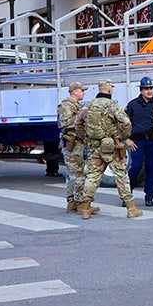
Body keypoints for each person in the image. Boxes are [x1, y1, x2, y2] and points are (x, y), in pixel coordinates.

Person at [77, 79, 143, 219]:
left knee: (92, 177)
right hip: (113, 147)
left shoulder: (88, 105)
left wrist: (85, 137)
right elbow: (126, 123)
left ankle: (86, 209)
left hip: (95, 147)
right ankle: (131, 209)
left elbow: (78, 124)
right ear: (108, 89)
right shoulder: (112, 105)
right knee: (121, 176)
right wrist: (122, 136)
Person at [125, 76, 153, 206]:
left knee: (151, 169)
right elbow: (123, 123)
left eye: (150, 88)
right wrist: (127, 139)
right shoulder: (133, 105)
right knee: (136, 167)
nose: (149, 91)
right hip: (137, 142)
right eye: (146, 89)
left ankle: (149, 197)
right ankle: (127, 195)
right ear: (141, 90)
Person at [57, 82, 87, 213]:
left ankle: (72, 203)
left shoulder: (75, 105)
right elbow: (65, 123)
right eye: (82, 90)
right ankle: (81, 204)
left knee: (72, 175)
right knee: (78, 174)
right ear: (75, 91)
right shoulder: (67, 105)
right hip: (73, 144)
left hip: (76, 143)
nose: (83, 93)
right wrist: (81, 117)